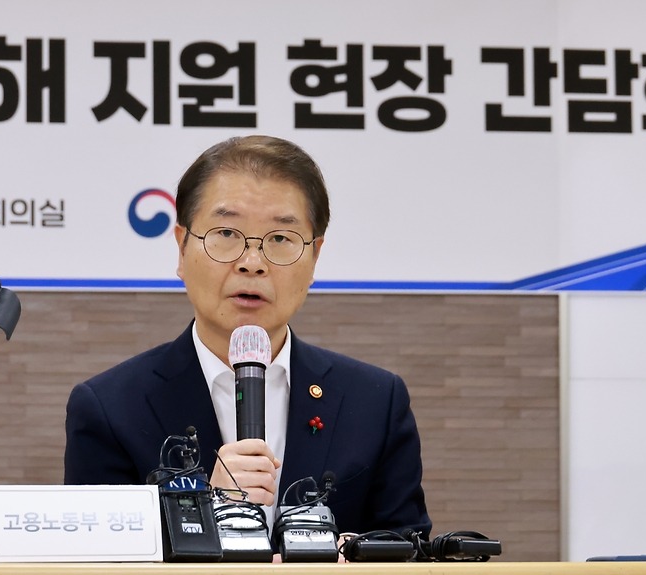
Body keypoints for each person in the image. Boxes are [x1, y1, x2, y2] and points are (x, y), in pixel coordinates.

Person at [64, 135, 431, 539]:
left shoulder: (375, 402)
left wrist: (353, 557)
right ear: (182, 248)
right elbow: (97, 555)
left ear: (315, 257)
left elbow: (410, 546)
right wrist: (207, 508)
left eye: (280, 239)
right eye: (226, 233)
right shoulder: (111, 408)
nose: (252, 263)